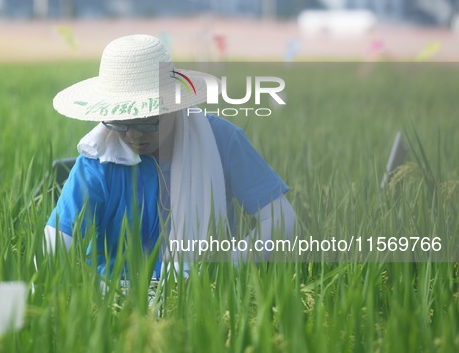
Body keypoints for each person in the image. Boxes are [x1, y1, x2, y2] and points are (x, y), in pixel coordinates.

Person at [45, 34, 295, 278]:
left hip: (200, 292)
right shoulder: (96, 160)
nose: (132, 134)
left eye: (146, 121)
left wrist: (227, 267)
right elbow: (56, 241)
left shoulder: (220, 141)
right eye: (120, 122)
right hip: (112, 292)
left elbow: (281, 218)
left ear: (173, 106)